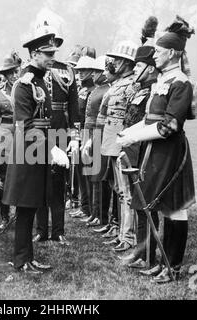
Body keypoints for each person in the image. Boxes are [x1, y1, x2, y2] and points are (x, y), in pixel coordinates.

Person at [117, 16, 196, 283]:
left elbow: (169, 126)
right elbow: (151, 118)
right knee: (160, 205)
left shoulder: (181, 83)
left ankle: (172, 267)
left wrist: (133, 138)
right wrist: (131, 131)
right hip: (154, 150)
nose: (155, 56)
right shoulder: (161, 81)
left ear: (173, 53)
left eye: (160, 52)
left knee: (175, 208)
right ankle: (161, 262)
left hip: (171, 151)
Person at [2, 31, 69, 274]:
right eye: (47, 54)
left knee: (31, 205)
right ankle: (21, 260)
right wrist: (52, 148)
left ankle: (28, 258)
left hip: (38, 150)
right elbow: (25, 124)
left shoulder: (40, 80)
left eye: (53, 53)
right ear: (33, 54)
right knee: (25, 207)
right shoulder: (25, 83)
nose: (52, 58)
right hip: (28, 152)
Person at [31, 23, 80, 246]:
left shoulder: (67, 70)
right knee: (39, 180)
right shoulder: (31, 70)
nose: (52, 46)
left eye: (55, 42)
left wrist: (75, 137)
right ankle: (41, 229)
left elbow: (74, 107)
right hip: (39, 129)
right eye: (47, 43)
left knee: (58, 183)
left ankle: (58, 230)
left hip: (60, 129)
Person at [118, 17, 160, 266]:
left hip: (147, 151)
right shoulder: (142, 90)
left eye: (138, 67)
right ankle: (140, 250)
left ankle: (147, 253)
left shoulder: (154, 92)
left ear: (150, 69)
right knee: (137, 201)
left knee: (147, 203)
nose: (134, 71)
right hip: (134, 150)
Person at [100, 40, 138, 253]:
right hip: (112, 143)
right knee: (119, 190)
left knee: (126, 193)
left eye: (116, 59)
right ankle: (122, 233)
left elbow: (130, 117)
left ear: (125, 62)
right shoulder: (117, 83)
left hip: (123, 143)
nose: (112, 63)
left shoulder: (132, 84)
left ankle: (128, 236)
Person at [0, 51, 22, 230]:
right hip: (4, 139)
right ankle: (4, 217)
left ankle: (21, 215)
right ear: (5, 75)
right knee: (4, 179)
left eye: (17, 72)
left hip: (23, 138)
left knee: (22, 178)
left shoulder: (25, 91)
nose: (14, 76)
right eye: (11, 73)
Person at [81, 56, 113, 228]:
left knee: (98, 175)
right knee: (90, 173)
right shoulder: (97, 90)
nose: (93, 75)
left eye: (97, 72)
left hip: (98, 133)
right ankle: (94, 212)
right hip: (89, 131)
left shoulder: (106, 90)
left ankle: (100, 214)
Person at [69, 55, 96, 221]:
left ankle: (92, 209)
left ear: (93, 71)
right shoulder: (81, 90)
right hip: (78, 134)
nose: (80, 73)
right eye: (78, 70)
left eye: (84, 70)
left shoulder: (94, 90)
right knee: (80, 172)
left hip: (89, 134)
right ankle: (84, 206)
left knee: (89, 172)